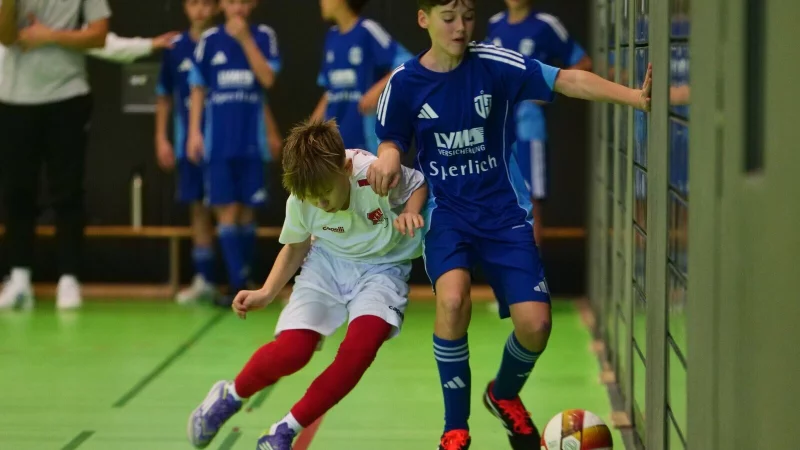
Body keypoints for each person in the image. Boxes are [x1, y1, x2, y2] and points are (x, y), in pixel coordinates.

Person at [368, 1, 651, 448]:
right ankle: (455, 428)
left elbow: (567, 79)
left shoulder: (495, 64)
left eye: (467, 17)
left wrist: (634, 97)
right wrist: (387, 158)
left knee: (536, 325)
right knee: (453, 300)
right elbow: (391, 140)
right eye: (448, 18)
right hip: (447, 213)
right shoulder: (404, 82)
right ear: (424, 19)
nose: (460, 28)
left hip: (504, 215)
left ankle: (503, 394)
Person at [186, 119, 427, 449]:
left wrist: (411, 211)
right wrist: (266, 292)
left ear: (345, 168)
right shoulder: (302, 198)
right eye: (313, 199)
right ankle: (230, 395)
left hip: (382, 268)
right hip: (327, 263)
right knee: (293, 351)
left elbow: (417, 184)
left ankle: (283, 431)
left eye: (325, 194)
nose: (321, 204)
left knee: (361, 349)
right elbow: (296, 246)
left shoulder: (373, 174)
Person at [0, 0, 111, 310]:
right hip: (14, 99)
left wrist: (50, 35)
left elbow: (99, 35)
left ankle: (69, 279)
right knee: (17, 191)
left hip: (68, 95)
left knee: (68, 192)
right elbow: (5, 37)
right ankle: (19, 278)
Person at [187, 0, 281, 305]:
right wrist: (194, 132)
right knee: (226, 211)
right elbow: (197, 88)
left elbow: (267, 79)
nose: (237, 7)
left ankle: (246, 279)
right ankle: (237, 285)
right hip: (219, 142)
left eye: (243, 1)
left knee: (247, 211)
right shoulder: (209, 40)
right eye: (231, 1)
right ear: (222, 5)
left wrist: (245, 40)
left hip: (251, 140)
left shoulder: (264, 36)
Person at [487, 0, 592, 245]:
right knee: (500, 198)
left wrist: (547, 90)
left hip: (528, 127)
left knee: (531, 201)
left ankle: (533, 268)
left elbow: (583, 62)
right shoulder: (494, 24)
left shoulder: (546, 25)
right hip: (498, 126)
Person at [311, 0, 412, 153]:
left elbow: (406, 63)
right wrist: (310, 130)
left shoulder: (367, 30)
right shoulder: (331, 37)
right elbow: (330, 92)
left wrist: (377, 90)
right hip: (336, 144)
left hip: (366, 143)